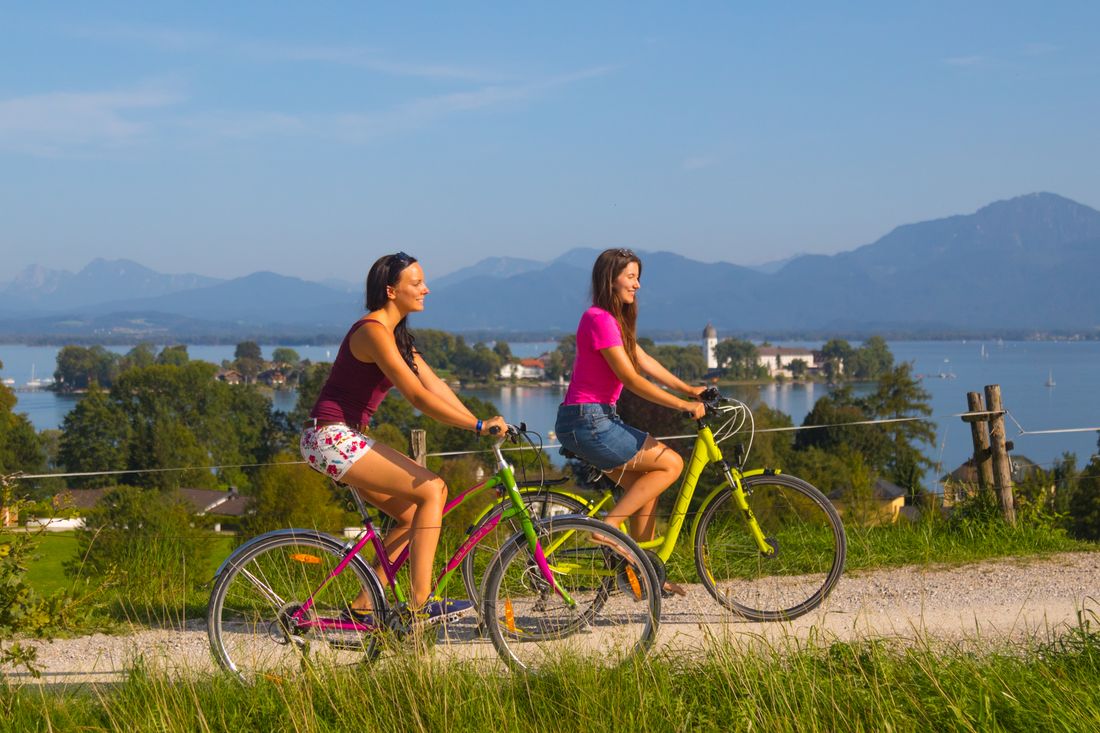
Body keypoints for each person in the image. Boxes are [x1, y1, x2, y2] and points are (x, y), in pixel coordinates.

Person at [300, 251, 506, 622]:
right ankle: (419, 602)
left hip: (339, 439)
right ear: (391, 290)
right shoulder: (373, 332)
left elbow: (435, 385)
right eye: (416, 283)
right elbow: (416, 396)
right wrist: (475, 427)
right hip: (329, 437)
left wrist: (478, 420)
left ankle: (365, 606)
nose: (426, 289)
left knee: (416, 515)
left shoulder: (395, 337)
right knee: (432, 489)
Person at [555, 248, 706, 596]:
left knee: (644, 485)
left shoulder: (610, 320)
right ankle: (606, 529)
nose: (637, 285)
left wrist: (688, 388)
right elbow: (632, 378)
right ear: (611, 279)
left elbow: (640, 357)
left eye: (639, 277)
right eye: (631, 277)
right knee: (670, 464)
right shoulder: (599, 319)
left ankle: (645, 572)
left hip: (589, 418)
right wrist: (682, 405)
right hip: (590, 419)